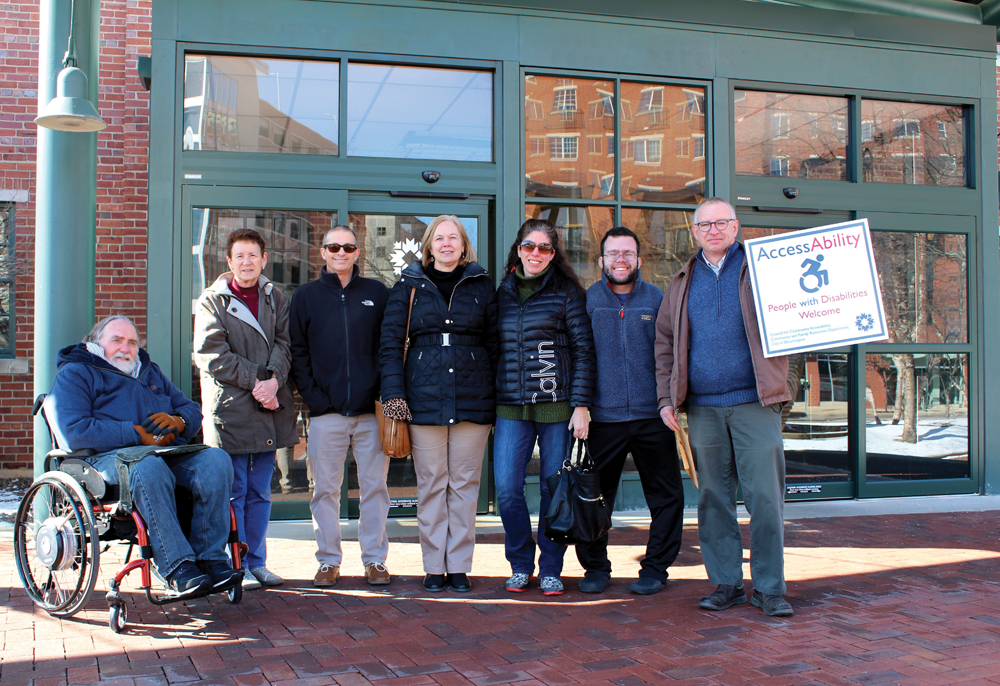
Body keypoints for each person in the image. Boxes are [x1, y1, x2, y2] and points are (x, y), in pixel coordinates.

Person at [654, 197, 794, 617]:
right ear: (694, 232)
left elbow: (798, 314)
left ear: (735, 227)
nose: (713, 230)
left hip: (755, 403)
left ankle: (769, 588)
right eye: (704, 225)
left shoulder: (764, 270)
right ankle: (727, 583)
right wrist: (667, 399)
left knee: (765, 499)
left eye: (722, 223)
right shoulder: (681, 281)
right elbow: (664, 345)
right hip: (702, 410)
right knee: (713, 498)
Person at [44, 315, 239, 596]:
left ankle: (211, 561)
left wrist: (180, 421)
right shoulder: (77, 372)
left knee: (215, 460)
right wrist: (136, 433)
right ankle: (177, 567)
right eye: (117, 340)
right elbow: (74, 430)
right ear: (96, 343)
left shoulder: (149, 372)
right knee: (148, 467)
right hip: (102, 460)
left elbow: (191, 408)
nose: (126, 347)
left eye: (132, 342)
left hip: (160, 453)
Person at [379, 215, 498, 593]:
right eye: (439, 238)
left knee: (464, 486)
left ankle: (459, 565)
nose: (447, 244)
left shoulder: (481, 285)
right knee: (431, 484)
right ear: (429, 246)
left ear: (464, 246)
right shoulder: (407, 287)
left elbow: (496, 345)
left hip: (473, 401)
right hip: (422, 401)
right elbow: (390, 345)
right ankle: (434, 565)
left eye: (454, 238)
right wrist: (394, 395)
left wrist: (497, 394)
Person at [578, 226, 685, 596]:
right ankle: (595, 567)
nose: (620, 260)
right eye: (613, 254)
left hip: (651, 415)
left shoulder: (656, 298)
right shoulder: (587, 300)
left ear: (638, 260)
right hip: (601, 419)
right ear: (601, 261)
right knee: (593, 497)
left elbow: (669, 354)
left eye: (627, 254)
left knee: (667, 496)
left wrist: (668, 400)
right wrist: (582, 406)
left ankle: (656, 568)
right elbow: (579, 356)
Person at [193, 228, 298, 591]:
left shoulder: (276, 298)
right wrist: (258, 381)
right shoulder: (212, 301)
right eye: (239, 255)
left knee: (261, 492)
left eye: (253, 255)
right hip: (232, 410)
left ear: (263, 259)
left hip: (269, 406)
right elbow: (211, 355)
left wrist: (274, 381)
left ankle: (258, 562)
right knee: (233, 492)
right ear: (229, 261)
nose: (247, 261)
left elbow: (286, 343)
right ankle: (234, 566)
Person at [494, 218, 595, 596]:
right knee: (506, 489)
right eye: (529, 246)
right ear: (518, 249)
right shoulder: (501, 292)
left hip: (558, 408)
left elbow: (584, 351)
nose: (535, 254)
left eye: (544, 248)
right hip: (510, 407)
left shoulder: (568, 292)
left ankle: (551, 566)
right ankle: (521, 564)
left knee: (556, 491)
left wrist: (582, 404)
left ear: (553, 254)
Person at [289, 225, 391, 588]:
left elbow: (390, 347)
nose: (341, 253)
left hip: (369, 413)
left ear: (357, 252)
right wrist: (316, 398)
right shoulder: (306, 296)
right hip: (326, 413)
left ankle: (375, 560)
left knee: (375, 488)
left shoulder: (377, 293)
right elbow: (297, 352)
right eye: (334, 247)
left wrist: (380, 392)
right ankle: (328, 560)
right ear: (323, 252)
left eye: (348, 247)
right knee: (325, 491)